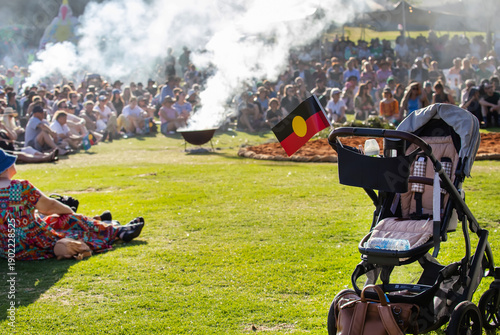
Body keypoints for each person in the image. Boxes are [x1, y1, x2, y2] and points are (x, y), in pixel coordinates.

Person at [0, 150, 145, 260]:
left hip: (8, 250)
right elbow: (49, 207)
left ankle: (106, 223)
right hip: (34, 242)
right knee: (66, 219)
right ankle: (117, 231)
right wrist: (69, 211)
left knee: (53, 220)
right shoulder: (20, 187)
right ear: (7, 167)